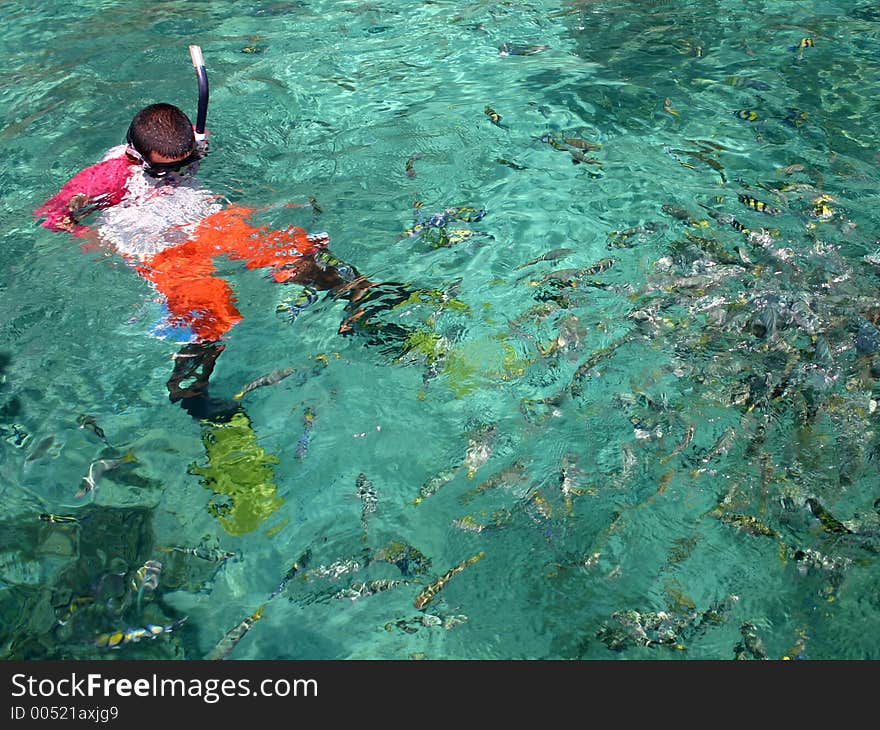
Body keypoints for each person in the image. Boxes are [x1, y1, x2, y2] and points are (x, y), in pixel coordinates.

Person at [34, 102, 401, 423]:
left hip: (198, 217)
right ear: (136, 154)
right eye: (162, 169)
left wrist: (196, 155)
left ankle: (358, 292)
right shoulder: (104, 177)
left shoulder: (188, 145)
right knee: (208, 309)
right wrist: (95, 240)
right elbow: (52, 215)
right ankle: (189, 393)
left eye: (186, 160)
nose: (176, 170)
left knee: (285, 247)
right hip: (153, 241)